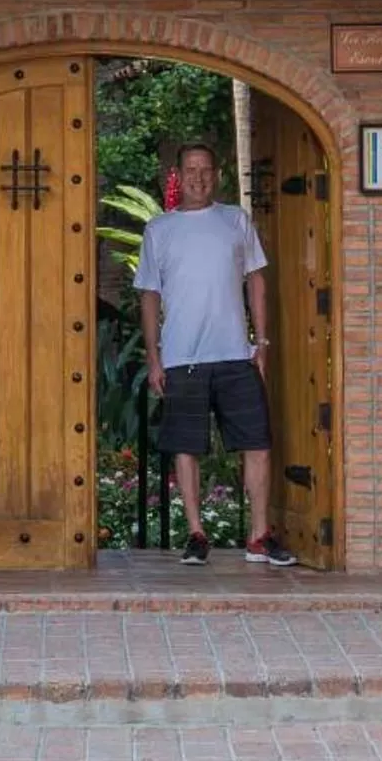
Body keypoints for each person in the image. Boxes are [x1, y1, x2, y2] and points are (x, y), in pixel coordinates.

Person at [133, 142, 297, 567]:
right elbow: (149, 295)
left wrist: (261, 342)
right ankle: (196, 534)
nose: (199, 177)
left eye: (206, 169)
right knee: (186, 447)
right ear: (177, 175)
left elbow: (256, 281)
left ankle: (258, 537)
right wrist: (154, 357)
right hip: (182, 357)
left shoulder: (235, 220)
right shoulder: (159, 230)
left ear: (217, 175)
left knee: (257, 443)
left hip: (236, 356)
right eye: (191, 170)